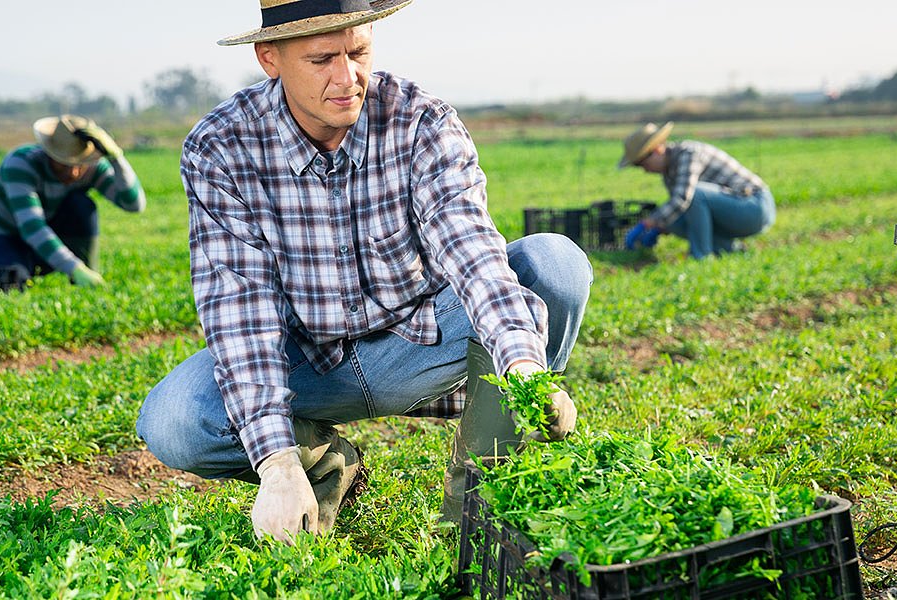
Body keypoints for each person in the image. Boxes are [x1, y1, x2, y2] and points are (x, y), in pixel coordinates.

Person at [135, 0, 593, 544]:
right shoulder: (222, 147)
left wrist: (522, 367)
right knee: (176, 419)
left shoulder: (419, 119)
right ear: (269, 58)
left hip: (421, 340)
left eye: (358, 52)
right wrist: (278, 461)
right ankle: (325, 464)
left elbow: (470, 249)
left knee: (553, 264)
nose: (347, 77)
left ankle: (481, 490)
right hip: (308, 362)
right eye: (322, 58)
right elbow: (240, 305)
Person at [0, 114, 145, 286]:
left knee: (82, 205)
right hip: (4, 238)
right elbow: (32, 227)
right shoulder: (21, 164)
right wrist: (75, 268)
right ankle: (69, 272)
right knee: (13, 280)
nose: (73, 172)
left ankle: (85, 277)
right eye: (64, 163)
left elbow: (133, 204)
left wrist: (116, 158)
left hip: (51, 237)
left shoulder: (91, 167)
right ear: (49, 153)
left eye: (79, 164)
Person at [619, 122, 775, 259]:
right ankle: (727, 249)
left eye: (642, 163)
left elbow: (682, 198)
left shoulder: (688, 153)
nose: (644, 170)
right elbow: (683, 211)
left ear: (657, 149)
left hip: (755, 207)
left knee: (695, 194)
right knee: (673, 220)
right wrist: (661, 227)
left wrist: (650, 222)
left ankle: (700, 256)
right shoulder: (668, 173)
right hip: (735, 211)